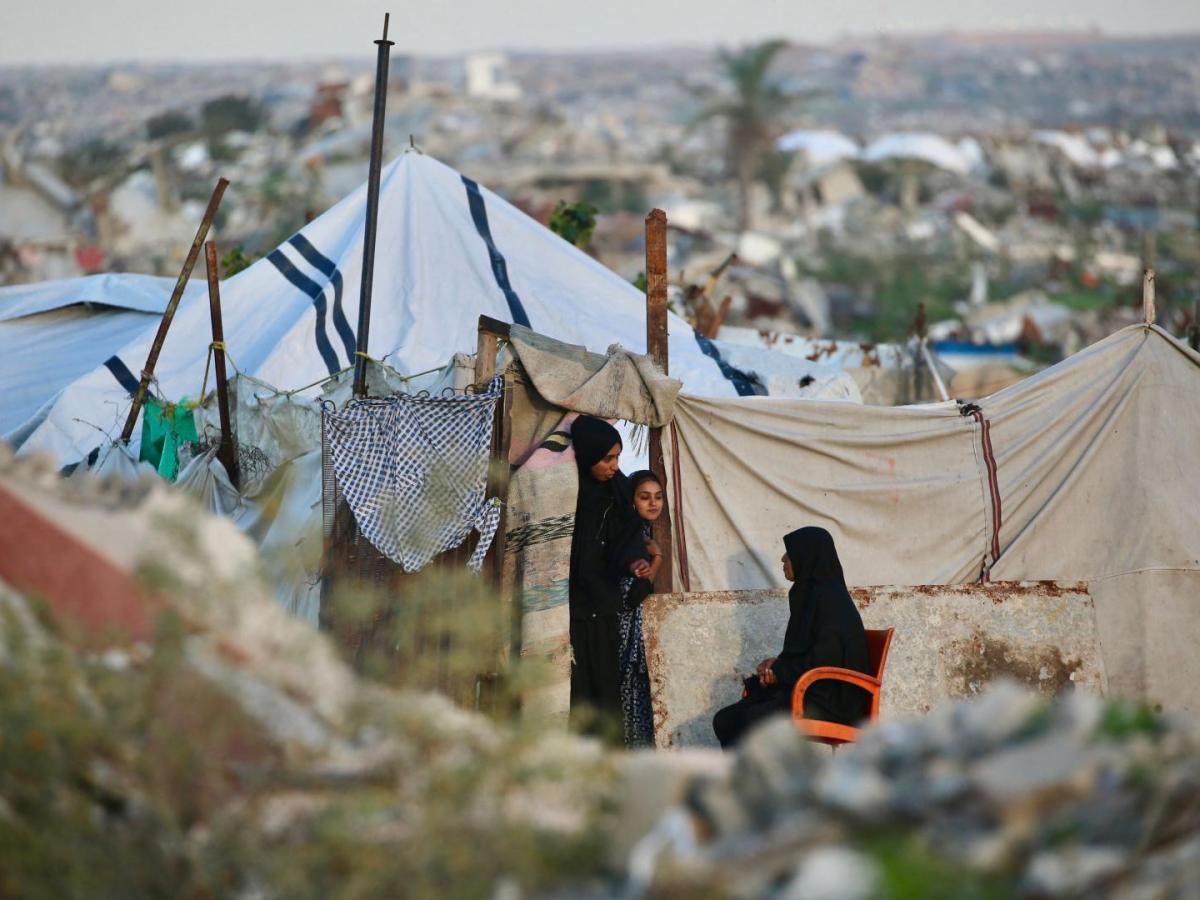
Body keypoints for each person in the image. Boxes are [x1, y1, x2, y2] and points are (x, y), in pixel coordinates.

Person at [712, 526, 871, 749]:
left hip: (831, 699)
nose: (783, 558)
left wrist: (780, 673)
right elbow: (805, 650)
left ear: (806, 556)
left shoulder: (830, 600)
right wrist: (777, 666)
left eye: (790, 553)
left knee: (750, 721)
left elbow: (826, 658)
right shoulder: (808, 595)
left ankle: (759, 781)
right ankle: (750, 780)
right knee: (725, 719)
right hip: (808, 688)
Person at [568, 415, 632, 739]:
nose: (614, 466)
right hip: (572, 612)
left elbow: (628, 540)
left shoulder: (617, 495)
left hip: (603, 609)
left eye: (618, 457)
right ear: (587, 454)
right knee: (575, 694)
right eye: (607, 458)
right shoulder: (566, 496)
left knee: (605, 692)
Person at [613, 470, 664, 747]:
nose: (653, 503)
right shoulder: (631, 534)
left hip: (633, 624)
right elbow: (635, 592)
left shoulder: (643, 531)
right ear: (632, 500)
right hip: (623, 625)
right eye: (645, 497)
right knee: (630, 687)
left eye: (658, 497)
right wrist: (657, 557)